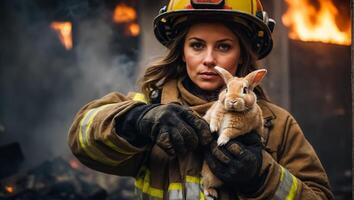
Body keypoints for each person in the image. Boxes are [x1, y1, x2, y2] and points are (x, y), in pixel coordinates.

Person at [68, 0, 334, 199]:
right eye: (196, 45)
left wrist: (262, 177)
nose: (208, 59)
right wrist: (137, 121)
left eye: (223, 46)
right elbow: (81, 139)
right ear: (182, 52)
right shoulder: (151, 106)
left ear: (241, 55)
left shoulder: (276, 125)